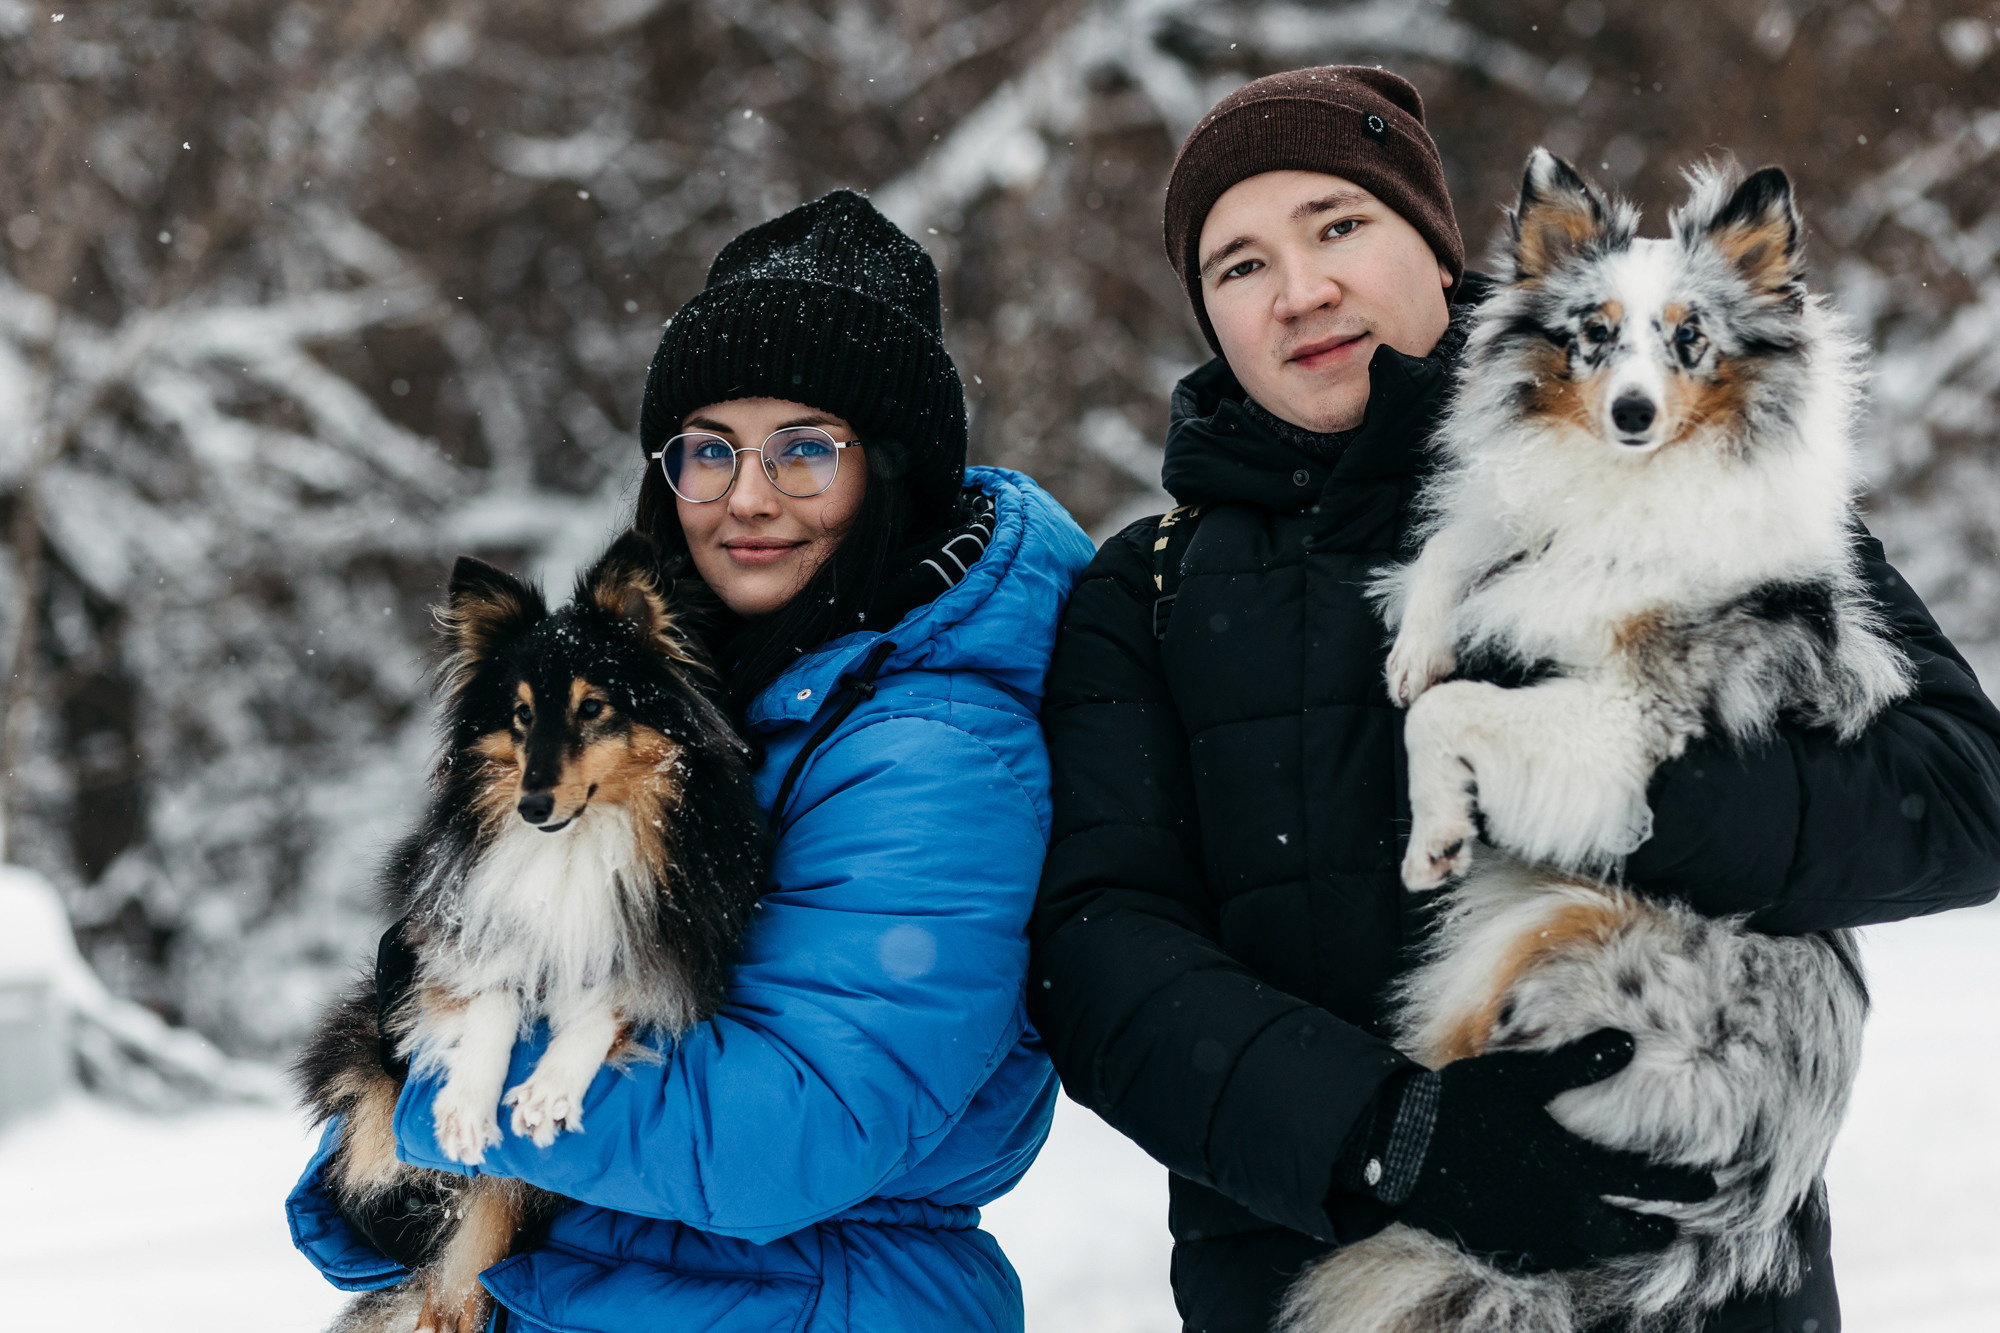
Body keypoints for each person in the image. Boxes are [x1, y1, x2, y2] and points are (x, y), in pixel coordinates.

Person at [1028, 65, 2000, 1333]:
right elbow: (1097, 953)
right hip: (1329, 1277)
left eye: (1337, 226)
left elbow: (1960, 801)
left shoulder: (1700, 483)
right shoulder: (1143, 595)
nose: (1301, 290)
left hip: (1696, 1279)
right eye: (1237, 266)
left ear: (1436, 249)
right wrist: (1387, 1134)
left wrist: (1617, 787)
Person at [287, 188, 1096, 1331]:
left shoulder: (934, 751)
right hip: (604, 1288)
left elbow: (791, 1136)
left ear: (892, 469)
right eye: (707, 451)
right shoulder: (694, 699)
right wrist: (386, 1168)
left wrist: (432, 1108)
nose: (747, 497)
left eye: (805, 449)